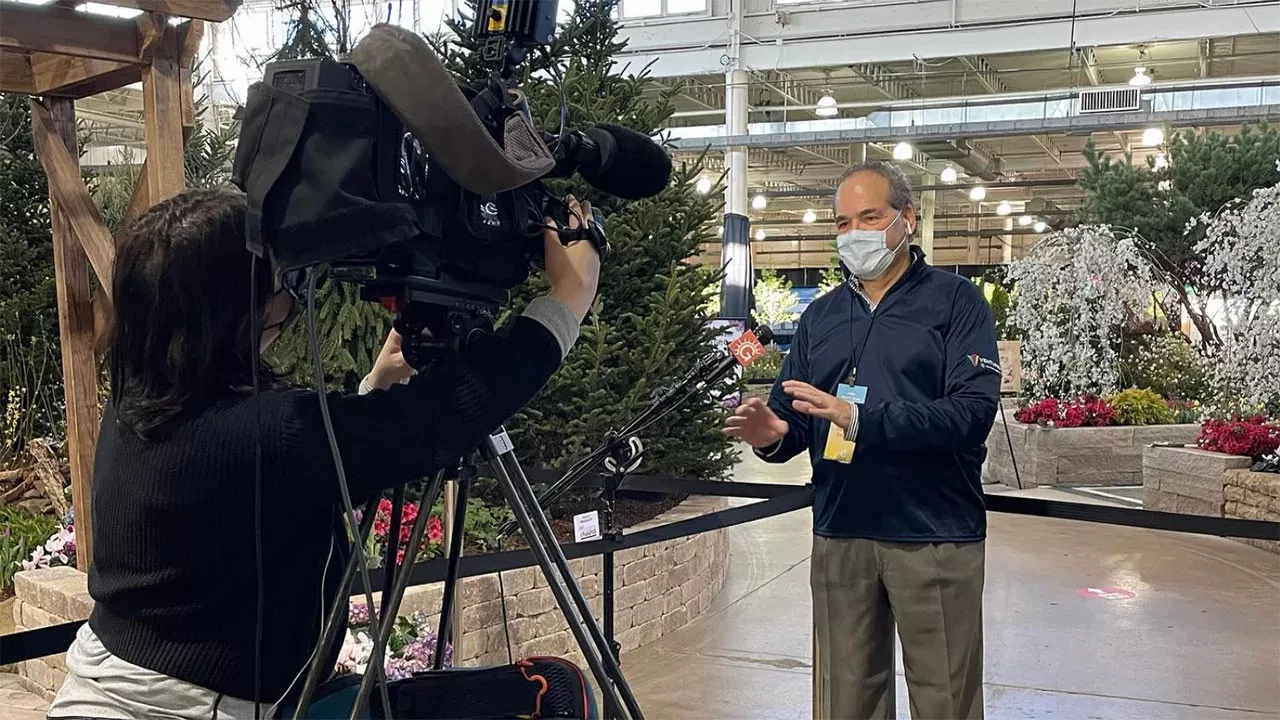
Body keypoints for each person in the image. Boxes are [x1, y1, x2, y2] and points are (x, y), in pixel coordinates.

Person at [46, 187, 602, 719]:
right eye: (278, 281)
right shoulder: (264, 433)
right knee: (553, 692)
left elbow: (279, 475)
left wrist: (377, 388)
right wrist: (567, 300)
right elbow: (438, 420)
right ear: (236, 313)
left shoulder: (144, 403)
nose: (290, 294)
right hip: (189, 711)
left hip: (105, 692)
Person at [724, 161, 999, 720]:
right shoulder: (821, 317)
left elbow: (969, 415)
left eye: (870, 217)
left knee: (946, 700)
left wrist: (859, 418)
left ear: (907, 218)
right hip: (841, 533)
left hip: (933, 535)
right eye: (843, 222)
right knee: (844, 701)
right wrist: (771, 435)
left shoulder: (956, 302)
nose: (855, 233)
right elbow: (792, 416)